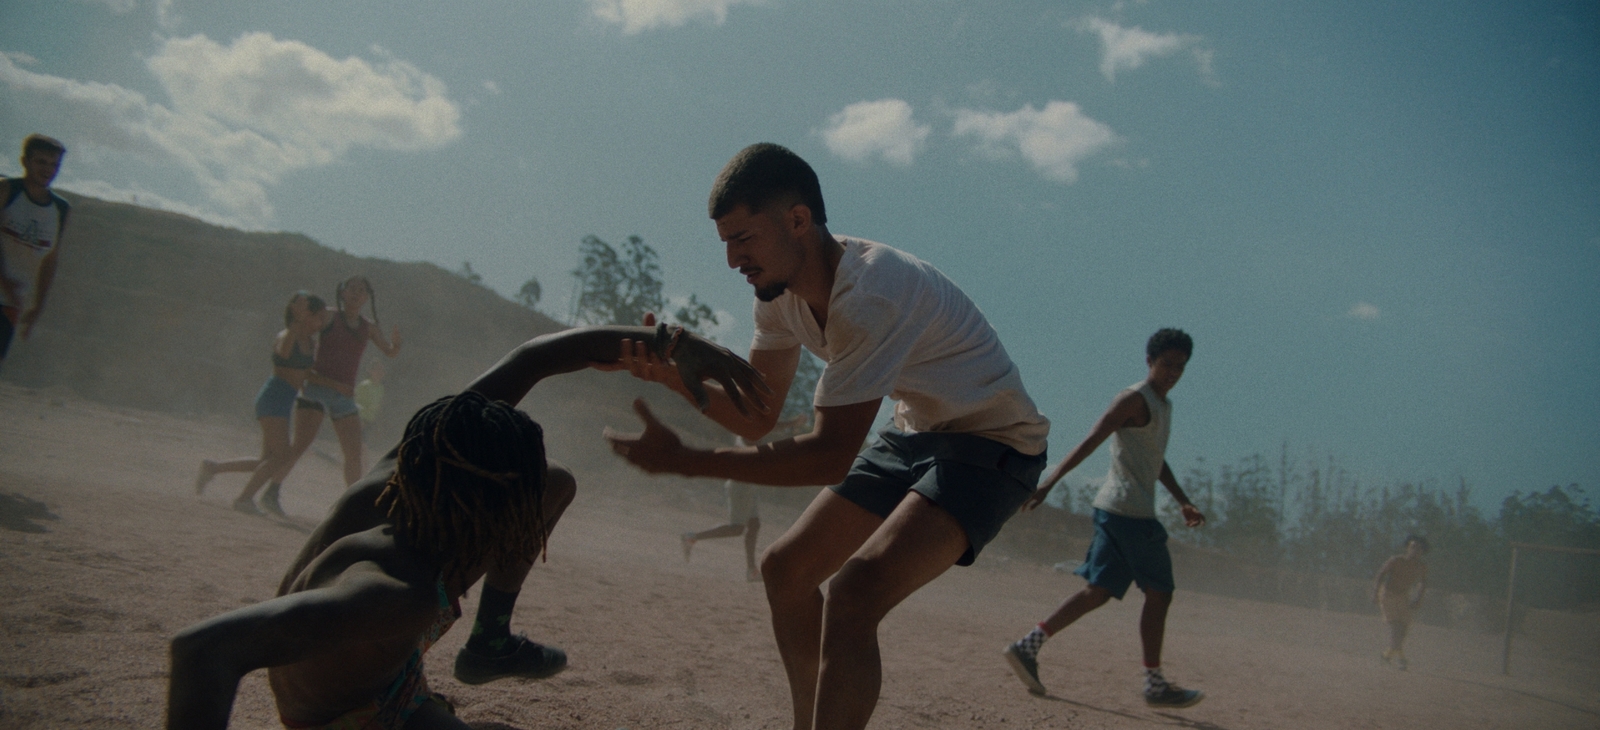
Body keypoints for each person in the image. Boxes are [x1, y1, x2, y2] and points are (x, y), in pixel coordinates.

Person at [606, 143, 1051, 730]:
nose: (734, 260)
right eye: (726, 244)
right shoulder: (779, 298)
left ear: (797, 220)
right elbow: (757, 416)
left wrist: (689, 462)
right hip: (916, 432)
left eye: (745, 239)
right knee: (785, 570)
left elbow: (830, 455)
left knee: (854, 594)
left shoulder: (872, 293)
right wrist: (678, 381)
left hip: (994, 443)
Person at [166, 323, 768, 729]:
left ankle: (490, 640)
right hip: (359, 713)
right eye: (515, 510)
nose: (526, 526)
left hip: (382, 662)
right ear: (485, 510)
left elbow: (539, 357)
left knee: (555, 480)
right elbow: (204, 650)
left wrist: (667, 341)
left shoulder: (419, 459)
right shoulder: (389, 594)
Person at [1002, 328, 1206, 708]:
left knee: (1097, 592)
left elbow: (1154, 460)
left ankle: (1026, 647)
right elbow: (1091, 440)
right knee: (1160, 593)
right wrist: (1050, 483)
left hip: (1122, 512)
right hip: (1127, 513)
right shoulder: (1132, 400)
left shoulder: (1164, 406)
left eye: (1180, 367)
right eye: (1166, 365)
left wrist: (1182, 501)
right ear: (1149, 362)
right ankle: (1155, 683)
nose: (1173, 373)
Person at [194, 291, 330, 517]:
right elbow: (285, 353)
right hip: (274, 397)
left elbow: (305, 375)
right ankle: (244, 499)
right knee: (281, 456)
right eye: (319, 317)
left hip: (285, 401)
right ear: (307, 315)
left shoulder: (310, 342)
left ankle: (212, 468)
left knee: (266, 460)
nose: (322, 323)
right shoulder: (287, 334)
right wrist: (296, 321)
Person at [288, 275, 402, 488]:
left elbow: (389, 351)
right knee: (300, 445)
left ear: (367, 298)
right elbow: (304, 333)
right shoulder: (329, 316)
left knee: (354, 454)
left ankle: (350, 504)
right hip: (317, 388)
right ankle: (272, 490)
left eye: (361, 291)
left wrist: (396, 345)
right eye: (352, 289)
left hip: (344, 395)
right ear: (342, 293)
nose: (356, 294)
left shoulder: (367, 327)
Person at [680, 415, 807, 582]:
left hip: (746, 485)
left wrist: (791, 425)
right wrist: (792, 426)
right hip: (740, 487)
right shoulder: (747, 438)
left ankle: (751, 570)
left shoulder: (747, 431)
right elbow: (765, 435)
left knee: (754, 525)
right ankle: (692, 537)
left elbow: (766, 429)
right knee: (737, 528)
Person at [0, 134, 70, 366]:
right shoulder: (8, 190)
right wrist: (5, 282)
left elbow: (50, 260)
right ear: (25, 161)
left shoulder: (60, 209)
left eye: (54, 164)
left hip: (12, 303)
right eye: (41, 162)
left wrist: (38, 305)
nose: (48, 169)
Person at [1371, 535, 1428, 670]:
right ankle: (1402, 659)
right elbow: (1381, 574)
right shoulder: (1396, 561)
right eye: (1413, 547)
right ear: (1408, 548)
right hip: (1388, 594)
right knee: (1396, 626)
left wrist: (1418, 598)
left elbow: (1423, 582)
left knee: (1404, 628)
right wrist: (1375, 593)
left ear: (1422, 552)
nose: (1415, 551)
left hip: (1403, 597)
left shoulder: (1421, 566)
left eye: (1419, 548)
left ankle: (1387, 655)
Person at [355, 359, 387, 441]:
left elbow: (378, 405)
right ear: (370, 371)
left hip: (370, 420)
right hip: (360, 420)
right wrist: (359, 419)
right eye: (377, 370)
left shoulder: (381, 388)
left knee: (361, 443)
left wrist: (377, 423)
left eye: (381, 370)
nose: (380, 372)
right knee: (359, 443)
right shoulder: (364, 385)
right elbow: (355, 401)